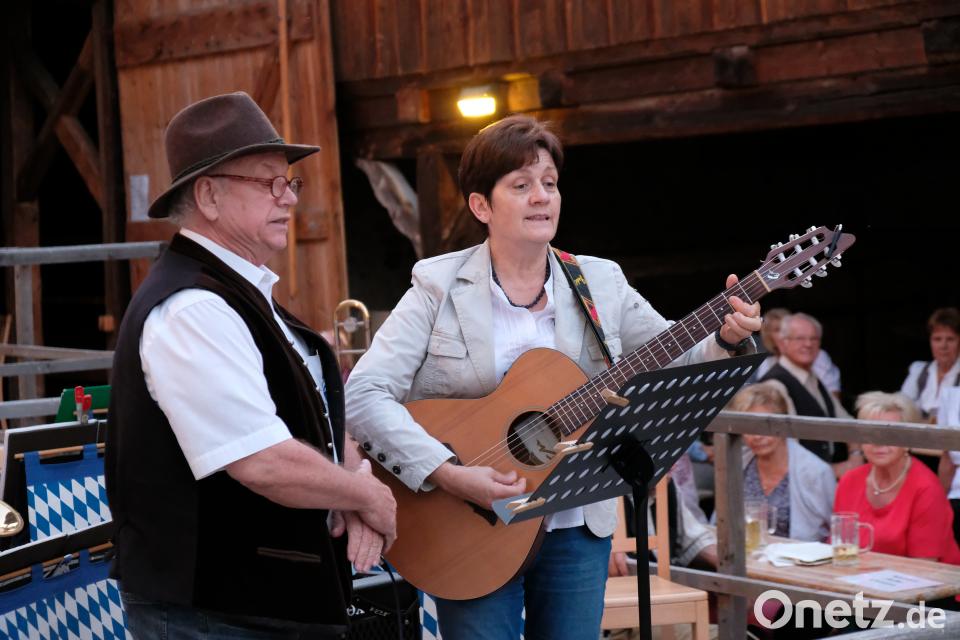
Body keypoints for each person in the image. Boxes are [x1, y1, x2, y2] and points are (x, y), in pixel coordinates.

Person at [344, 115, 761, 640]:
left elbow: (675, 356)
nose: (542, 197)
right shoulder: (438, 286)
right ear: (481, 206)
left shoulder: (600, 281)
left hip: (576, 523)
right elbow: (363, 394)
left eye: (549, 183)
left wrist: (725, 337)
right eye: (521, 185)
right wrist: (447, 472)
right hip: (470, 522)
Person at [105, 92, 397, 638]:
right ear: (209, 196)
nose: (289, 198)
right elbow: (261, 460)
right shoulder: (192, 308)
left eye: (290, 182)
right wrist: (367, 495)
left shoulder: (237, 293)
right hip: (217, 614)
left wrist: (351, 480)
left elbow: (316, 416)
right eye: (268, 182)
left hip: (258, 605)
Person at [834, 392, 960, 564]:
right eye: (871, 433)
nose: (879, 442)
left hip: (924, 578)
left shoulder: (927, 488)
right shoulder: (850, 481)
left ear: (908, 440)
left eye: (890, 434)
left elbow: (924, 567)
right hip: (858, 576)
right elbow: (841, 549)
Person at [731, 382, 835, 541]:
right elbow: (722, 522)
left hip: (798, 555)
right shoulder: (737, 463)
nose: (756, 436)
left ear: (783, 424)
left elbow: (835, 528)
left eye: (764, 426)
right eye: (748, 428)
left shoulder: (816, 471)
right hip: (746, 552)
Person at [759, 312, 856, 469]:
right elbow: (787, 450)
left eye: (814, 339)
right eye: (800, 338)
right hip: (802, 478)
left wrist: (856, 454)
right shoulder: (774, 385)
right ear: (783, 344)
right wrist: (834, 472)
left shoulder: (812, 377)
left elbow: (845, 422)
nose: (808, 344)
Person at [752, 307, 842, 399]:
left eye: (787, 329)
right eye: (777, 330)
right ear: (768, 335)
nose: (783, 333)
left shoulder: (815, 355)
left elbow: (833, 397)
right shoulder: (766, 364)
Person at [901, 307, 960, 420]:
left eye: (950, 339)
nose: (943, 346)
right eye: (937, 339)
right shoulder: (918, 370)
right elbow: (902, 406)